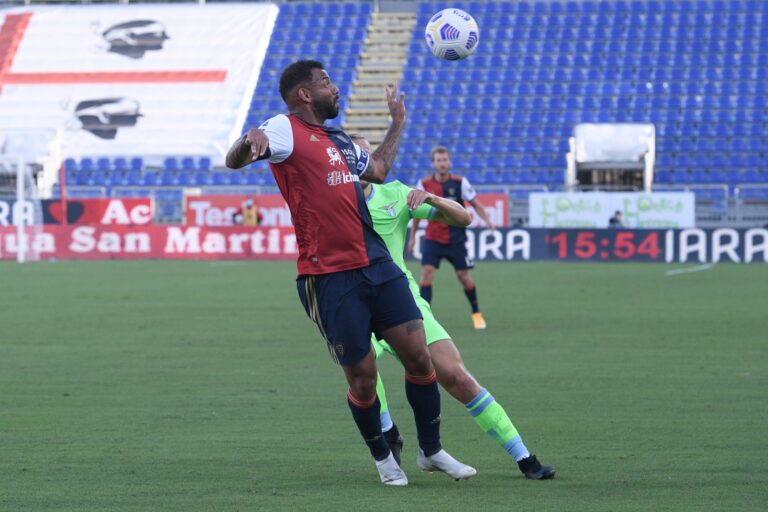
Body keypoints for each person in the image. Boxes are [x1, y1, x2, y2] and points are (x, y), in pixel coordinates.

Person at [225, 60, 474, 486]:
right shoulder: (284, 129)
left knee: (419, 357)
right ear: (304, 94)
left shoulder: (337, 139)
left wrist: (398, 123)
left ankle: (431, 451)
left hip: (377, 264)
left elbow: (377, 170)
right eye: (326, 82)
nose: (335, 88)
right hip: (329, 277)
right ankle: (383, 458)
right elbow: (235, 161)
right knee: (363, 378)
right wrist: (249, 141)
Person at [354, 135, 555, 481]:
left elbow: (463, 217)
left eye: (364, 152)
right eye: (351, 152)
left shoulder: (397, 194)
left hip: (404, 304)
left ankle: (523, 456)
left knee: (457, 375)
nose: (360, 159)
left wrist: (432, 198)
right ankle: (389, 434)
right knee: (364, 374)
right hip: (357, 306)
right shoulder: (329, 203)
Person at [408, 146, 494, 330]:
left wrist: (488, 221)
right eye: (439, 160)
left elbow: (476, 204)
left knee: (464, 277)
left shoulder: (460, 182)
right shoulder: (423, 184)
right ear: (433, 163)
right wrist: (413, 237)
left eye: (445, 160)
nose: (442, 163)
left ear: (449, 162)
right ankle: (425, 319)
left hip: (456, 239)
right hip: (433, 238)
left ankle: (476, 313)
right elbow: (416, 212)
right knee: (426, 274)